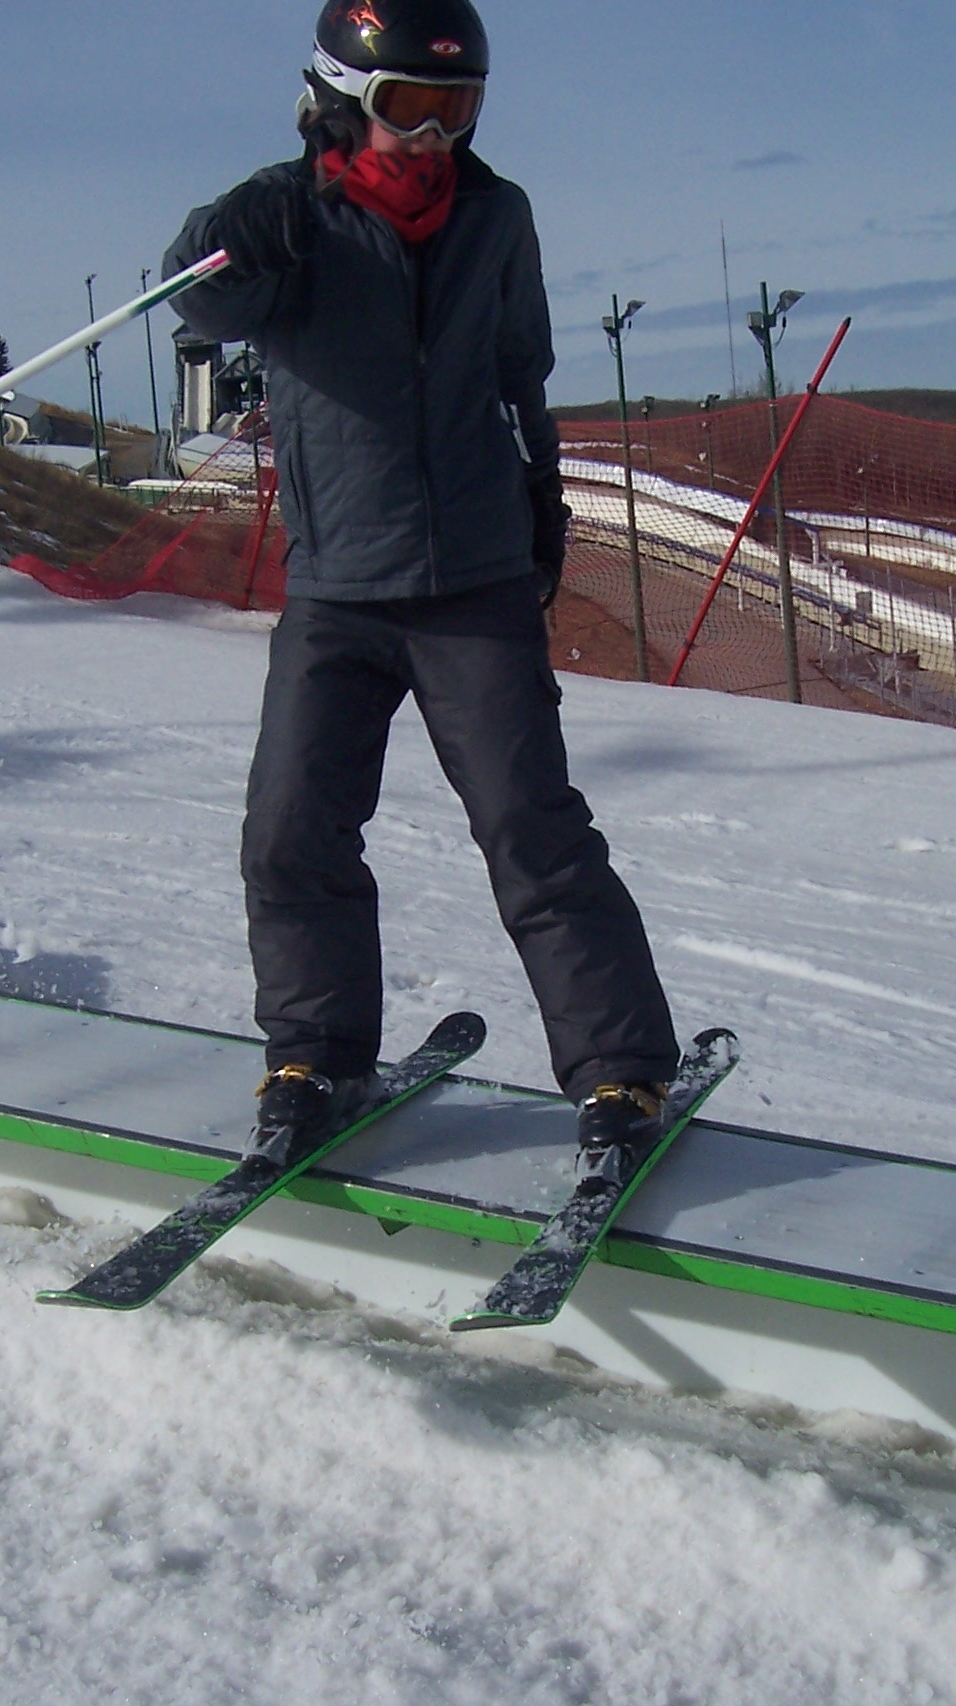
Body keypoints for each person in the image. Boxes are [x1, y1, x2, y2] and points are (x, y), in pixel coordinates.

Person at [162, 0, 682, 1180]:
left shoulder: (498, 217)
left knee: (530, 830)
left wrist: (542, 506)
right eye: (411, 107)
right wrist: (232, 226)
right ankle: (315, 1057)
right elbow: (197, 298)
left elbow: (519, 373)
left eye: (460, 108)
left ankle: (618, 1072)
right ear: (341, 99)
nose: (436, 136)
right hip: (338, 584)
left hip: (472, 583)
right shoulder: (289, 223)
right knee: (291, 831)